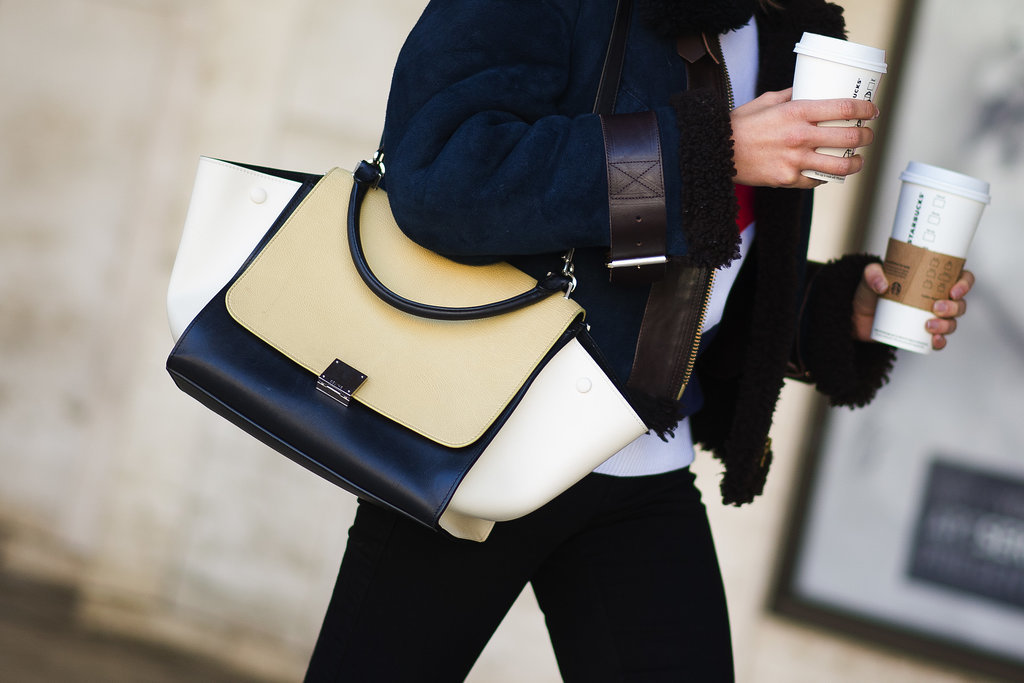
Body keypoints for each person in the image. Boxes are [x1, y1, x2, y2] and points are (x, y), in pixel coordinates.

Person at [305, 0, 974, 680]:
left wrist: (831, 311)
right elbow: (442, 176)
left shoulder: (771, 23)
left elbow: (694, 276)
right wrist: (709, 152)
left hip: (640, 460)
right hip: (481, 439)